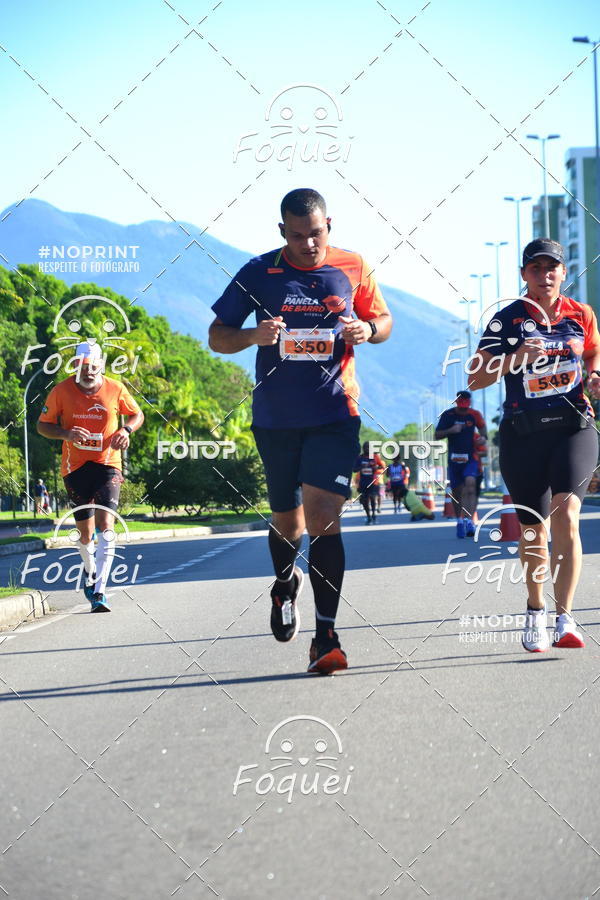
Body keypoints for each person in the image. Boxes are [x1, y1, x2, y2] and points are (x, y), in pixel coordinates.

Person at [208, 188, 392, 674]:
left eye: (316, 233)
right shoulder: (257, 272)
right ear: (281, 232)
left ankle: (326, 635)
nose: (309, 244)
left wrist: (367, 332)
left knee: (325, 516)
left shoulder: (353, 266)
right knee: (288, 525)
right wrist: (253, 335)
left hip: (335, 413)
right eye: (297, 235)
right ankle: (285, 582)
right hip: (275, 419)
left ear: (329, 224)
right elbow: (217, 336)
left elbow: (385, 320)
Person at [469, 238, 600, 652]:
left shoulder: (581, 314)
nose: (545, 275)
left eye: (553, 268)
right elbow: (475, 377)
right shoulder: (505, 320)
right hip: (523, 433)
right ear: (524, 275)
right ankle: (535, 610)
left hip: (573, 427)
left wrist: (595, 375)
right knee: (532, 531)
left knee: (568, 514)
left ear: (564, 273)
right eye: (536, 269)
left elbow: (594, 355)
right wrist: (515, 357)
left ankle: (565, 618)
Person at [37, 341, 144, 612]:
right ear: (75, 366)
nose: (89, 372)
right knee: (85, 535)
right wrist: (66, 434)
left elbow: (137, 414)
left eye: (94, 366)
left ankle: (99, 590)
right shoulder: (61, 391)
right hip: (75, 468)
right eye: (83, 367)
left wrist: (126, 431)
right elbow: (42, 425)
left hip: (109, 464)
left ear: (102, 366)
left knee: (106, 528)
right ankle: (89, 570)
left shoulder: (116, 388)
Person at [434, 390, 487, 537]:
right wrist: (451, 430)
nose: (464, 410)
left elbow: (483, 430)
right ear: (457, 402)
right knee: (457, 492)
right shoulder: (448, 415)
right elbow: (437, 435)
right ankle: (459, 521)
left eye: (466, 406)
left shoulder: (474, 414)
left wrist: (483, 438)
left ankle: (469, 521)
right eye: (461, 406)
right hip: (454, 459)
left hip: (470, 458)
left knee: (470, 485)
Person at [353, 442, 384, 525]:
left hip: (373, 481)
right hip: (363, 482)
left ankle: (373, 514)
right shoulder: (359, 458)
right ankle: (368, 516)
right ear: (363, 448)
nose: (367, 449)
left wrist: (375, 467)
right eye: (365, 447)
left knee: (373, 497)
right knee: (364, 500)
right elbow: (354, 469)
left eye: (369, 447)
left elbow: (382, 467)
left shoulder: (375, 457)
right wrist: (362, 467)